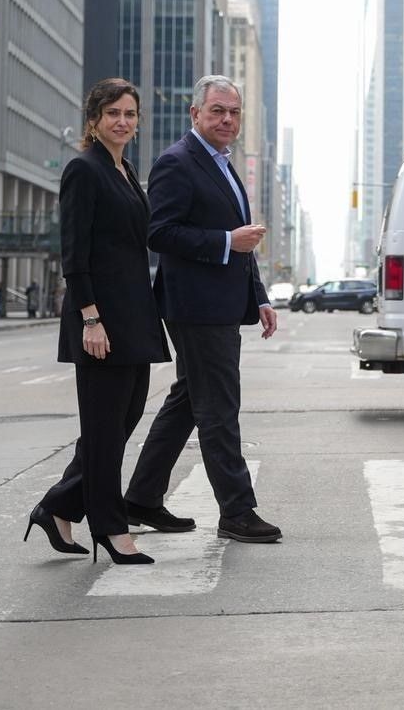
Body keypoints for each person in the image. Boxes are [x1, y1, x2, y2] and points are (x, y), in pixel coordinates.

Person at [124, 75, 281, 544]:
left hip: (222, 302)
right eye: (217, 111)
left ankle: (142, 498)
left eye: (233, 112)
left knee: (188, 402)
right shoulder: (178, 163)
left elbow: (243, 237)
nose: (227, 119)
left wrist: (259, 296)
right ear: (195, 115)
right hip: (196, 306)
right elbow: (160, 233)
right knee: (218, 408)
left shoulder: (225, 165)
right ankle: (237, 511)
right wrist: (225, 242)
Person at [29, 78, 168, 566]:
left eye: (130, 114)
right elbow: (75, 251)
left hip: (134, 317)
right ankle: (111, 528)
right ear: (94, 119)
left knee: (119, 423)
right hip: (101, 321)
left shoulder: (125, 169)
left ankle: (60, 504)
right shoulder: (83, 170)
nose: (123, 122)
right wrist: (90, 318)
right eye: (113, 113)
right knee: (106, 429)